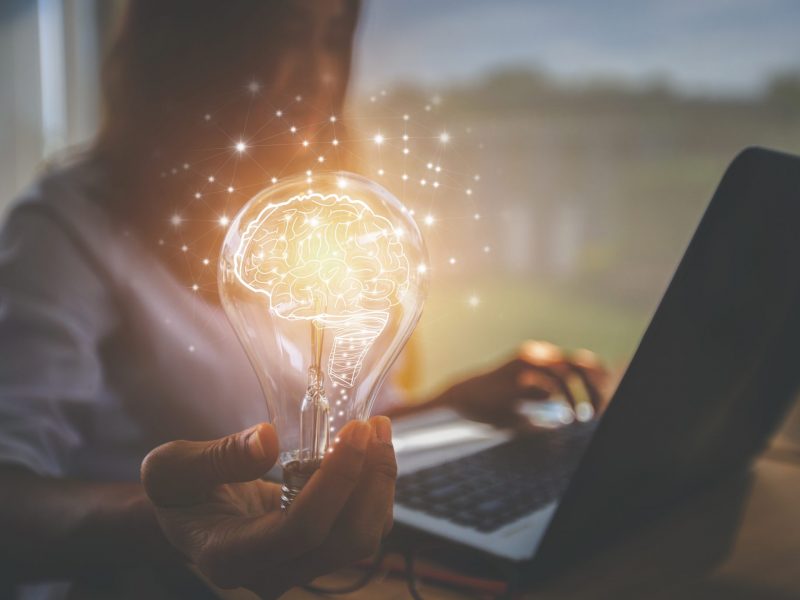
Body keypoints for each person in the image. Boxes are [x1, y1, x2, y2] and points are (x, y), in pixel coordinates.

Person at [0, 1, 605, 598]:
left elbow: (329, 429)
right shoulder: (63, 233)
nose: (315, 73)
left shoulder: (320, 217)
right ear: (190, 40)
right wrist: (164, 521)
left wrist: (450, 406)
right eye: (284, 31)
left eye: (331, 35)